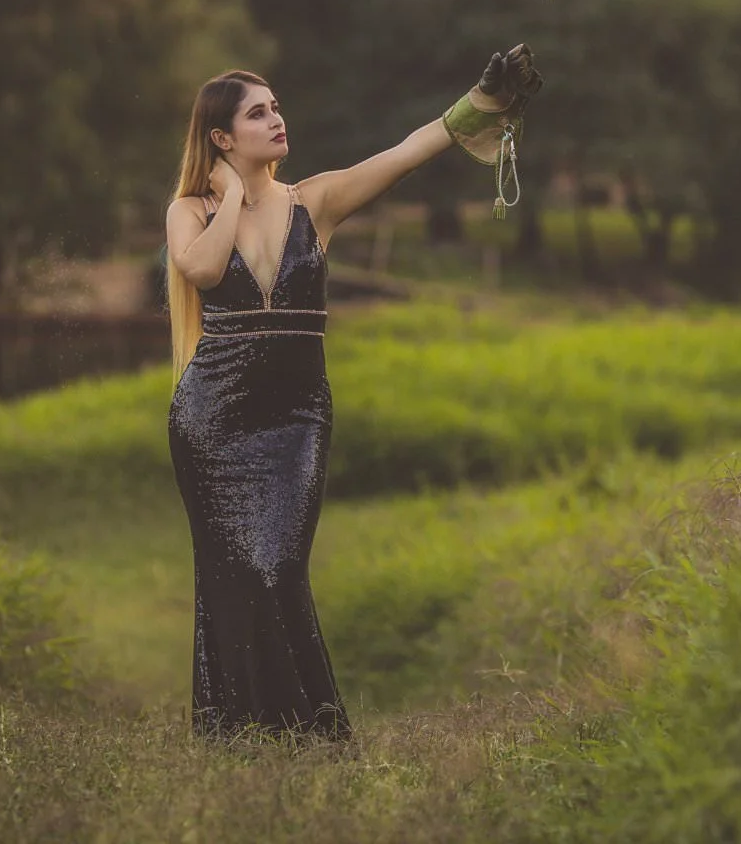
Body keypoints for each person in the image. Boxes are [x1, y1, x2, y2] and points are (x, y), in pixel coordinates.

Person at [162, 45, 543, 744]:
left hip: (294, 421)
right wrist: (232, 194)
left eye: (275, 106)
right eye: (257, 113)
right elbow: (204, 268)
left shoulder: (317, 201)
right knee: (235, 578)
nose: (277, 119)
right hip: (212, 421)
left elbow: (404, 153)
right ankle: (242, 738)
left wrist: (480, 103)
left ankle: (310, 736)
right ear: (221, 138)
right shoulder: (189, 210)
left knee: (276, 566)